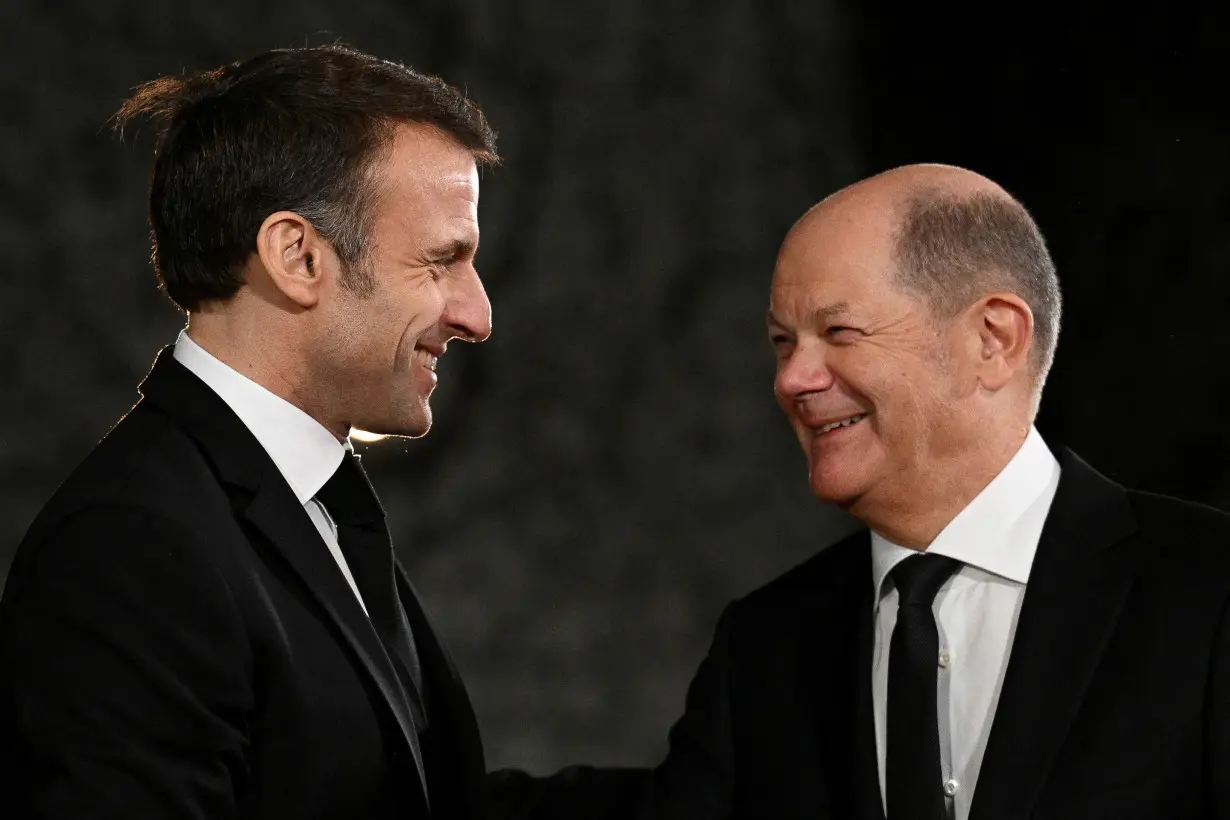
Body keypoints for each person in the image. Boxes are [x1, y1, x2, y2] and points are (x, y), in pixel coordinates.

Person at [489, 164, 1230, 819]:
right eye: (783, 342)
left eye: (838, 333)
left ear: (994, 339)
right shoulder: (769, 644)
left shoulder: (1205, 590)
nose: (792, 380)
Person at [0, 44, 501, 819]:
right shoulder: (133, 547)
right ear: (297, 255)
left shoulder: (297, 505)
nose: (477, 314)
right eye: (441, 262)